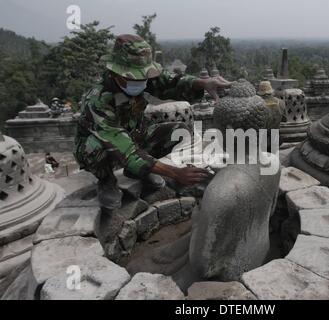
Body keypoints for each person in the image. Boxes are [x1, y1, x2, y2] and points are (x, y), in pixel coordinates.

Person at [74, 34, 231, 209]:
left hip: (136, 134)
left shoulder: (143, 80)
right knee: (95, 148)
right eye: (135, 78)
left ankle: (138, 171)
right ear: (115, 73)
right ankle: (106, 180)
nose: (141, 82)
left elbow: (171, 82)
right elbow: (125, 151)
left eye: (144, 78)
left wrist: (204, 83)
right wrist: (175, 173)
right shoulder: (97, 101)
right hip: (107, 148)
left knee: (180, 131)